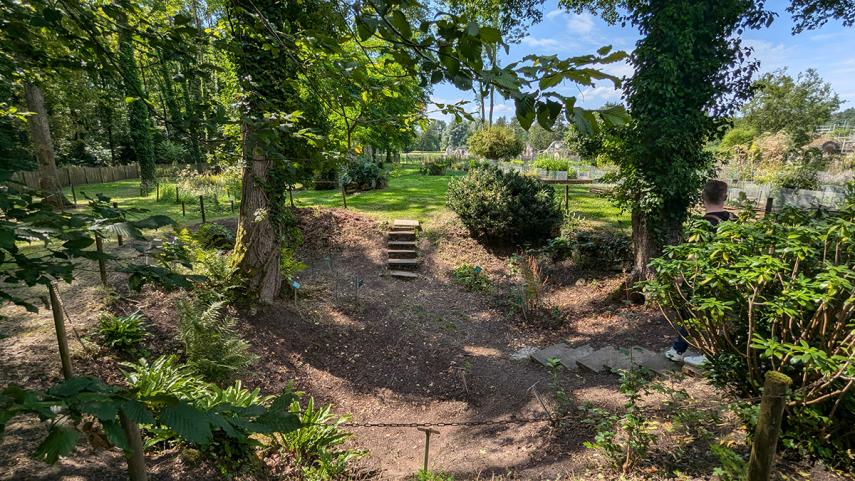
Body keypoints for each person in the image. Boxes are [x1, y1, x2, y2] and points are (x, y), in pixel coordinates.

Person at [664, 180, 735, 367]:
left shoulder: (704, 225)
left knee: (693, 313)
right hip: (731, 276)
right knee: (715, 316)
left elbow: (692, 257)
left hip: (706, 279)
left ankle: (706, 354)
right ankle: (680, 349)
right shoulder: (734, 220)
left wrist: (680, 279)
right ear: (725, 197)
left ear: (703, 197)